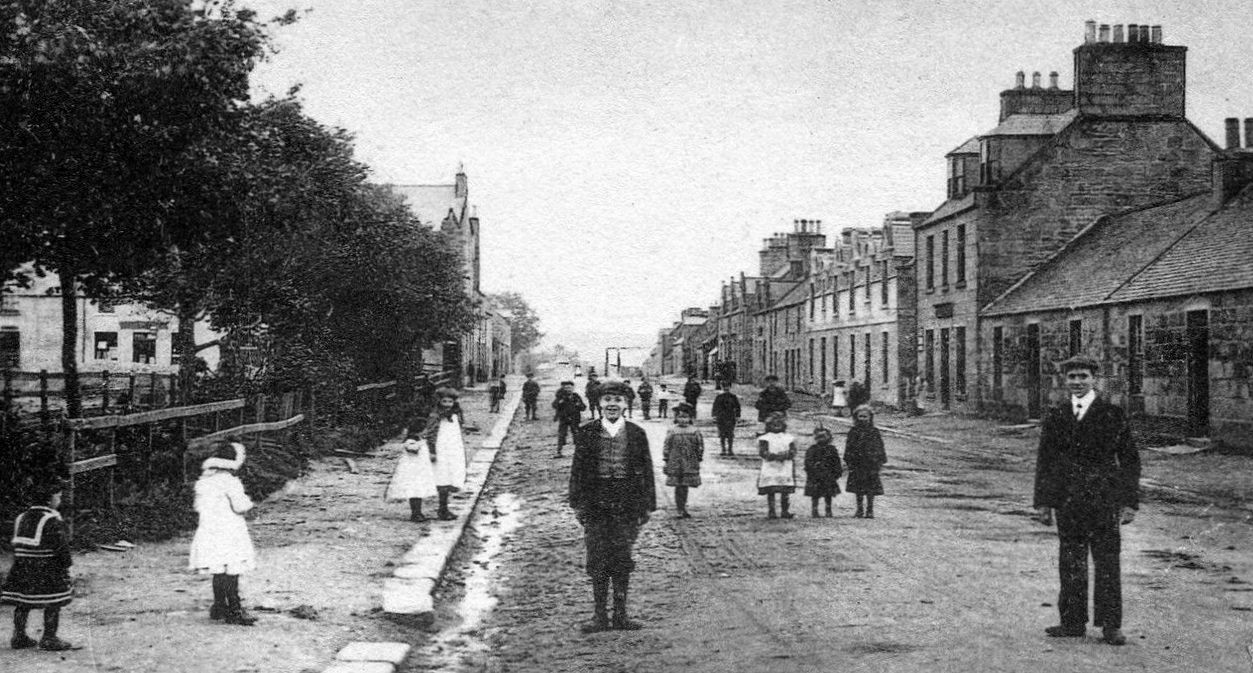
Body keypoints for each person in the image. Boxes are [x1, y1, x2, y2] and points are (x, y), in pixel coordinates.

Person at [1033, 355, 1139, 647]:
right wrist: (1043, 502)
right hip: (1068, 501)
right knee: (1070, 561)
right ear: (1064, 381)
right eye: (1072, 377)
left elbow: (1129, 460)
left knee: (1107, 562)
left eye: (1083, 376)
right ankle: (1072, 621)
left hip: (1104, 500)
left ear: (1095, 379)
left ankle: (1111, 625)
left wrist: (1129, 502)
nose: (1077, 382)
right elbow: (1046, 460)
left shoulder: (1112, 414)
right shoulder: (1057, 415)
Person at [569, 380, 656, 632]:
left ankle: (620, 614)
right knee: (597, 557)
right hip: (596, 501)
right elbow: (578, 470)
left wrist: (646, 505)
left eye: (618, 400)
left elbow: (647, 469)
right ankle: (599, 616)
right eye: (607, 399)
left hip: (627, 501)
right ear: (598, 403)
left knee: (621, 557)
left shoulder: (637, 433)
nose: (612, 404)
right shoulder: (586, 433)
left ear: (626, 404)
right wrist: (578, 503)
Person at [188, 441, 258, 626]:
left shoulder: (203, 482)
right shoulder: (230, 481)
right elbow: (241, 505)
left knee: (218, 571)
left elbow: (198, 507)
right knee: (231, 571)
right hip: (229, 531)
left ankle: (219, 606)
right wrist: (251, 508)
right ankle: (235, 609)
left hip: (210, 532)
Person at [3, 479, 77, 649]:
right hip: (46, 568)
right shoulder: (51, 520)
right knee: (54, 602)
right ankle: (49, 637)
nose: (59, 500)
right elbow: (61, 548)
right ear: (49, 500)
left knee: (22, 602)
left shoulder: (21, 518)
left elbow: (14, 544)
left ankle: (19, 636)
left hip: (22, 567)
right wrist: (68, 568)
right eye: (58, 497)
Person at [423, 388, 468, 521]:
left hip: (453, 449)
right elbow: (431, 433)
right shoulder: (436, 415)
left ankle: (444, 508)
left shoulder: (456, 414)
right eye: (444, 401)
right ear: (439, 401)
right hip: (441, 449)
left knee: (451, 476)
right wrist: (432, 450)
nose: (448, 404)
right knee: (442, 477)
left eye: (450, 401)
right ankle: (442, 509)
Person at [386, 424, 438, 522]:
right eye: (424, 430)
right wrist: (420, 444)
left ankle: (418, 512)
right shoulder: (411, 441)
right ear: (418, 431)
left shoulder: (421, 440)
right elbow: (411, 449)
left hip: (420, 470)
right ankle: (415, 513)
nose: (425, 432)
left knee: (418, 491)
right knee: (415, 492)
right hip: (412, 471)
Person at [662, 403, 704, 518]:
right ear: (676, 418)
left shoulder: (695, 431)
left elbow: (699, 446)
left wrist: (698, 458)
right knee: (678, 485)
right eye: (680, 417)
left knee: (684, 486)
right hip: (675, 462)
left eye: (686, 417)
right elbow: (667, 445)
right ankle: (679, 508)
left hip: (689, 463)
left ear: (690, 418)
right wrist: (666, 459)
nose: (683, 420)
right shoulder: (672, 431)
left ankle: (683, 507)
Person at [844, 405, 886, 519]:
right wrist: (848, 460)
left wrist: (880, 460)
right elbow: (848, 447)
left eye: (865, 416)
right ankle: (859, 509)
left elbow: (880, 446)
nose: (862, 419)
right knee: (858, 488)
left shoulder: (874, 431)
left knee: (870, 488)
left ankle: (870, 509)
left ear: (870, 418)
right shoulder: (853, 431)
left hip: (871, 463)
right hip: (857, 463)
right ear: (856, 418)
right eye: (860, 416)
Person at [756, 412, 797, 519]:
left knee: (785, 491)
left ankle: (785, 510)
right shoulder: (765, 438)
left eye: (779, 423)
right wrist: (772, 456)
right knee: (771, 489)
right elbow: (762, 452)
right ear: (769, 425)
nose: (777, 426)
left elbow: (793, 451)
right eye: (773, 424)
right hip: (771, 466)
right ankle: (772, 511)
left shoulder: (789, 437)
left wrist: (786, 455)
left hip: (785, 466)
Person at [804, 426, 843, 518]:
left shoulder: (832, 449)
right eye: (819, 437)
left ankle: (828, 510)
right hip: (815, 475)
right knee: (815, 495)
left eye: (824, 436)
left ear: (829, 437)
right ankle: (814, 510)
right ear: (815, 437)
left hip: (828, 475)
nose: (821, 439)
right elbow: (808, 461)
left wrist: (837, 472)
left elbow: (836, 461)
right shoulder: (812, 449)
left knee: (828, 494)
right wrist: (812, 468)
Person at [552, 380, 586, 458]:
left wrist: (579, 405)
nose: (568, 389)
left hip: (575, 419)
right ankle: (559, 451)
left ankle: (579, 452)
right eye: (566, 388)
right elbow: (554, 405)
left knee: (577, 435)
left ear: (573, 388)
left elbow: (583, 407)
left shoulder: (576, 396)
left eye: (570, 388)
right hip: (564, 419)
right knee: (561, 435)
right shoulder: (561, 397)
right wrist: (560, 403)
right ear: (563, 388)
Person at [711, 386, 741, 456]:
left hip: (730, 417)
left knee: (730, 434)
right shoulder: (719, 397)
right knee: (722, 434)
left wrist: (738, 416)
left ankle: (730, 449)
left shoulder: (733, 397)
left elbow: (737, 407)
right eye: (725, 388)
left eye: (727, 388)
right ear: (723, 388)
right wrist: (714, 416)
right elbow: (715, 407)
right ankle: (723, 449)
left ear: (730, 388)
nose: (726, 389)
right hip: (721, 418)